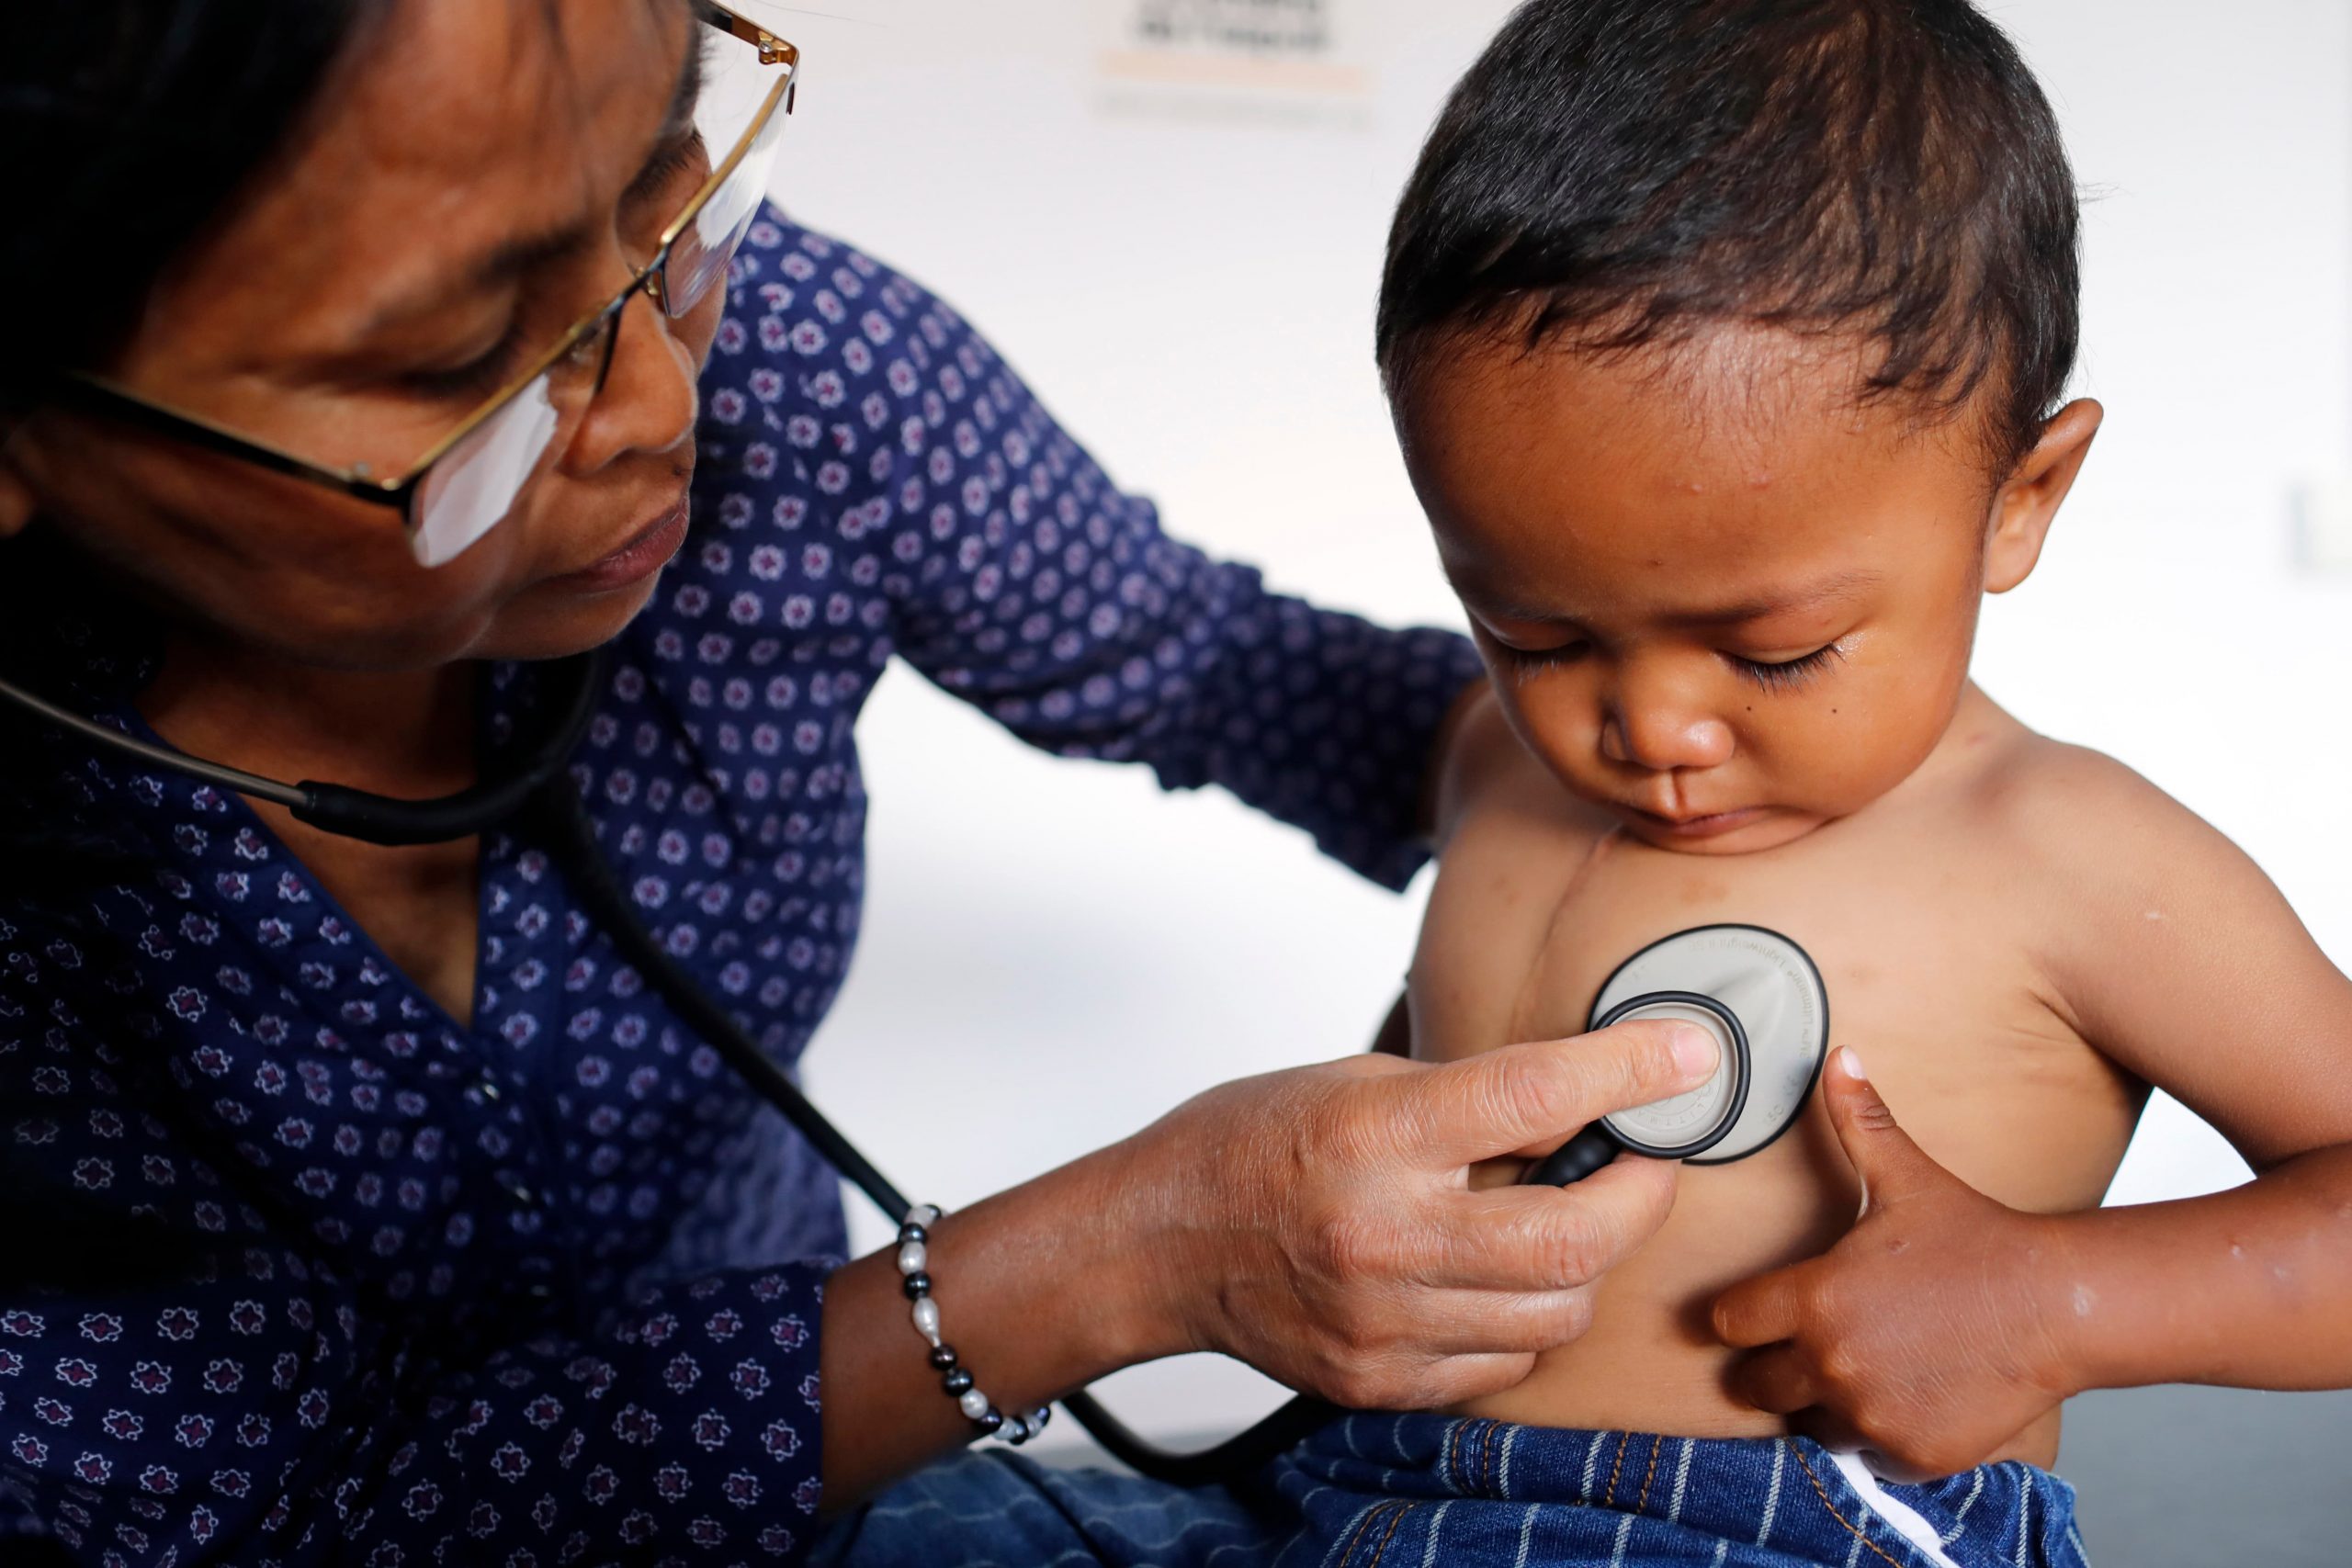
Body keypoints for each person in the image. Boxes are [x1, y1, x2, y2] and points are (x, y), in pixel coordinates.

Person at [0, 1, 1747, 1562]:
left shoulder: (803, 370)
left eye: (667, 198)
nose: (658, 398)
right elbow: (315, 1518)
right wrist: (1126, 1257)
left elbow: (1215, 665)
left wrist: (1694, 753)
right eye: (466, 363)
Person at [817, 2, 2352, 1565]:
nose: (1651, 728)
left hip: (1771, 1527)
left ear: (2022, 498)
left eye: (1774, 651)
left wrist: (2057, 1303)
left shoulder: (2067, 854)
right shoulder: (1490, 757)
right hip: (1344, 1483)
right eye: (1536, 632)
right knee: (856, 1528)